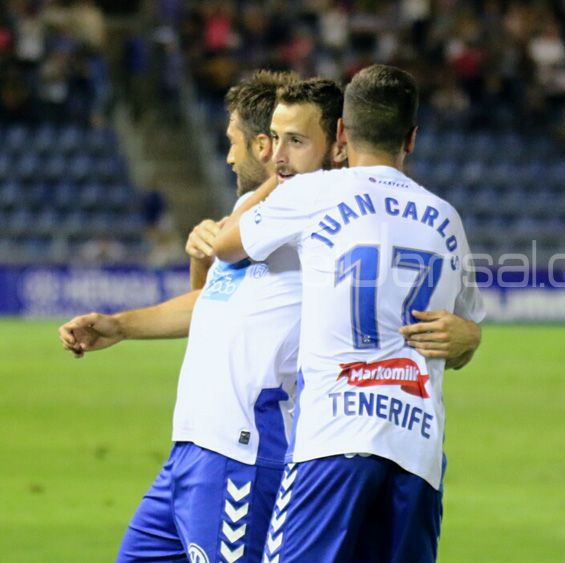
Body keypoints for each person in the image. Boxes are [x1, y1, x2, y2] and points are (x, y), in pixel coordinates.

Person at [58, 71, 480, 563]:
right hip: (193, 443)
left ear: (339, 141)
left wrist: (466, 334)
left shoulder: (319, 210)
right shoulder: (263, 211)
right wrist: (123, 324)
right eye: (272, 140)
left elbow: (401, 306)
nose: (272, 155)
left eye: (294, 141)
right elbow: (217, 302)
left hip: (254, 449)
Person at [213, 64, 485, 562]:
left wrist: (278, 178)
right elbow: (460, 338)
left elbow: (228, 246)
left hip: (332, 440)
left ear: (341, 131)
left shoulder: (311, 195)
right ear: (412, 137)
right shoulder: (446, 219)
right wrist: (473, 337)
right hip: (415, 449)